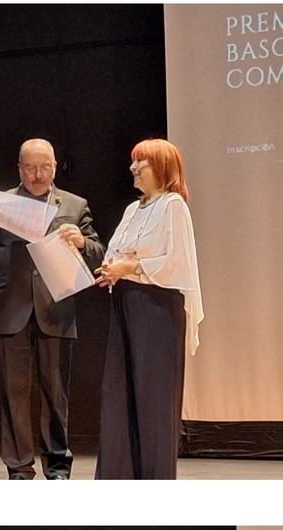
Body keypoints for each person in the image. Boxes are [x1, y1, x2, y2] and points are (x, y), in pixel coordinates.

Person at [0, 138, 104, 479]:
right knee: (14, 394)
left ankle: (57, 465)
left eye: (45, 167)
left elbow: (99, 254)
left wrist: (82, 242)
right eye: (31, 168)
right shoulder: (1, 204)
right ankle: (19, 468)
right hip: (11, 309)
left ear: (55, 167)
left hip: (56, 307)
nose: (38, 175)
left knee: (56, 394)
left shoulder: (73, 204)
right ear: (19, 168)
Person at [94, 138, 204, 479]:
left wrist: (131, 268)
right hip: (125, 303)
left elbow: (178, 263)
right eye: (133, 161)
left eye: (140, 162)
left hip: (157, 309)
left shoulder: (173, 205)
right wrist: (111, 268)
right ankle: (120, 477)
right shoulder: (132, 210)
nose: (133, 168)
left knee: (154, 396)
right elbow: (117, 252)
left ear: (160, 167)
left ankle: (155, 480)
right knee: (120, 391)